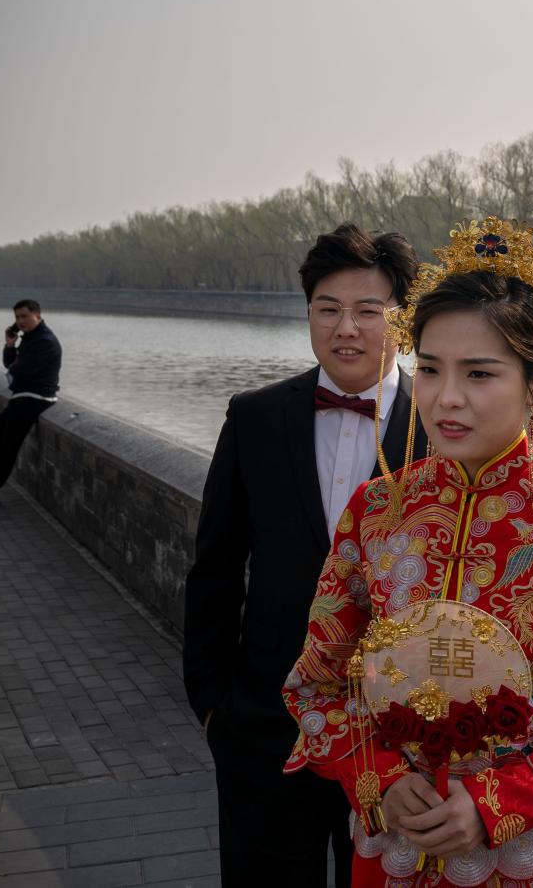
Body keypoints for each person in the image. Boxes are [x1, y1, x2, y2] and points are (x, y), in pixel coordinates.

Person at [282, 217, 533, 887]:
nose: (446, 398)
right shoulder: (375, 512)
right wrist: (380, 775)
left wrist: (499, 802)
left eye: (479, 373)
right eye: (429, 369)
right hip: (399, 841)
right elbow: (318, 682)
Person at [183, 223, 428, 888]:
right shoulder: (255, 418)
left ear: (401, 320)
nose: (345, 328)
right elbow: (214, 569)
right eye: (327, 309)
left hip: (402, 746)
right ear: (309, 314)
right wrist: (214, 708)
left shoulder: (443, 426)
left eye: (367, 311)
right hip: (267, 731)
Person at [0, 300, 62, 505]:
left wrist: (14, 370)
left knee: (8, 444)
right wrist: (9, 345)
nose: (20, 321)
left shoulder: (44, 341)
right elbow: (11, 365)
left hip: (36, 398)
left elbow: (18, 371)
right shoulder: (31, 338)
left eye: (24, 316)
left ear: (38, 316)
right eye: (17, 317)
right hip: (24, 397)